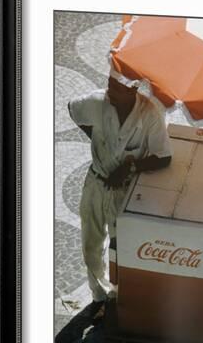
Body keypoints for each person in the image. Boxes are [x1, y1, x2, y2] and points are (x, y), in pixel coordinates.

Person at [68, 70, 172, 316]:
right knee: (91, 244)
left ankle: (122, 295)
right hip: (95, 183)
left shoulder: (150, 115)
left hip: (125, 192)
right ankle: (99, 293)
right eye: (108, 85)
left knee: (122, 246)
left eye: (116, 89)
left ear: (133, 90)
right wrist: (93, 135)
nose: (109, 92)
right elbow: (72, 109)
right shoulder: (97, 102)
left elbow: (164, 157)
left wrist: (130, 166)